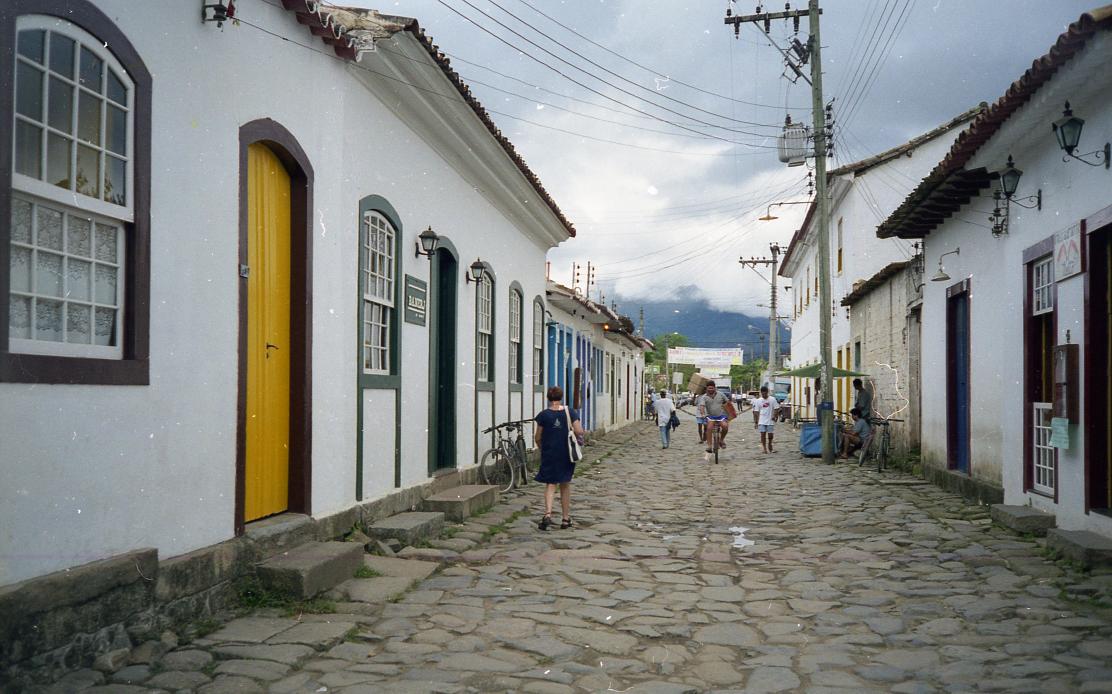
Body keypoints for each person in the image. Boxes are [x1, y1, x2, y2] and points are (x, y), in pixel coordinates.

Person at [534, 386, 585, 530]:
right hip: (566, 453)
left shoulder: (543, 415)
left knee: (550, 484)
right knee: (565, 484)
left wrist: (542, 448)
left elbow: (537, 437)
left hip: (550, 453)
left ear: (548, 398)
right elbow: (579, 431)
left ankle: (547, 514)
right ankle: (565, 519)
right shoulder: (570, 412)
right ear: (561, 397)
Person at [697, 382, 730, 453]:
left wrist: (729, 411)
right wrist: (703, 414)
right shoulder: (704, 397)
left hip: (721, 415)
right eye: (709, 388)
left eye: (712, 388)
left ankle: (721, 440)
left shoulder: (721, 394)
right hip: (710, 416)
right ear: (706, 388)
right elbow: (702, 406)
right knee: (709, 428)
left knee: (725, 426)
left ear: (715, 388)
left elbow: (728, 402)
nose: (710, 389)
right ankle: (709, 446)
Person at [754, 386, 778, 453]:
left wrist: (774, 416)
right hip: (761, 420)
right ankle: (764, 448)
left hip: (770, 420)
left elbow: (776, 408)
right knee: (762, 434)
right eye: (762, 394)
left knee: (770, 435)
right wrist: (756, 422)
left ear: (767, 392)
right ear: (761, 393)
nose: (764, 395)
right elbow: (756, 411)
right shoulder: (758, 401)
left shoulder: (772, 399)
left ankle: (770, 444)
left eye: (765, 394)